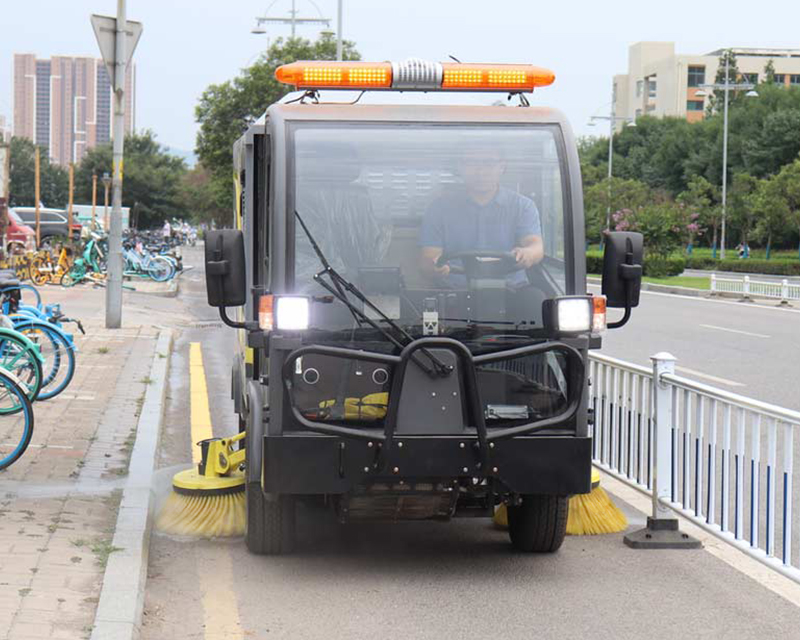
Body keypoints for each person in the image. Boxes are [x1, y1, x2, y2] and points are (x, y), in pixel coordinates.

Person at [419, 146, 543, 288]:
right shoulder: (439, 209)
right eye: (471, 163)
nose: (480, 171)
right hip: (454, 293)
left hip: (511, 291)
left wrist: (528, 253)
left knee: (536, 301)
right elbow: (427, 259)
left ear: (502, 167)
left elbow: (536, 247)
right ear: (460, 167)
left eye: (489, 163)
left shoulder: (523, 206)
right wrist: (434, 267)